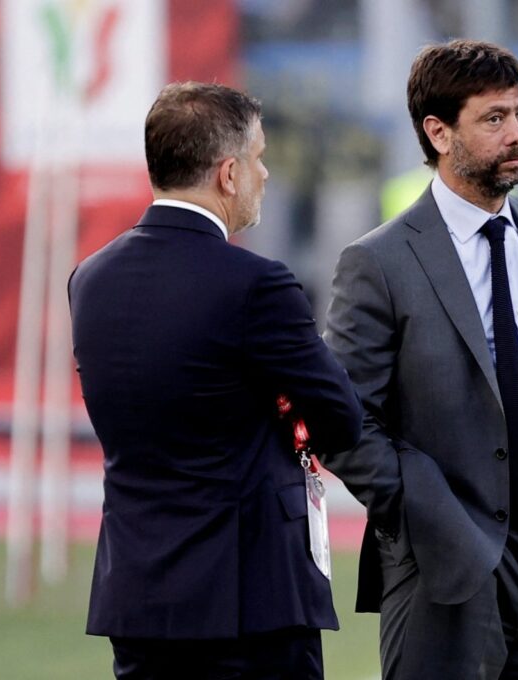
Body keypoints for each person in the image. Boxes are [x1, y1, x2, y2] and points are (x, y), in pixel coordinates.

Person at [322, 40, 518, 679]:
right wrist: (429, 516)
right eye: (493, 119)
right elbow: (343, 422)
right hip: (449, 568)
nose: (516, 134)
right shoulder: (378, 262)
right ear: (438, 132)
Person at [69, 82, 362, 680]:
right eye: (258, 158)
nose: (266, 173)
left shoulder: (90, 279)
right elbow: (341, 416)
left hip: (139, 597)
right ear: (228, 174)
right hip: (249, 603)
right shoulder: (255, 284)